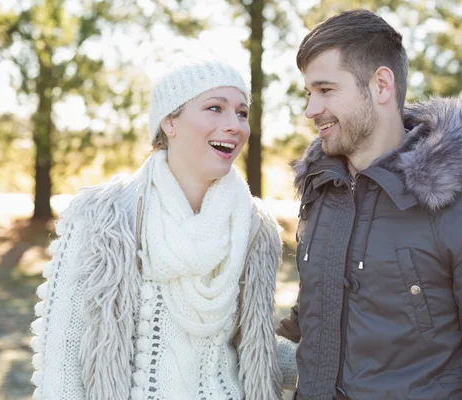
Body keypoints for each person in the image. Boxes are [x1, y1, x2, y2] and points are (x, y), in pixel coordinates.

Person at [276, 9, 462, 400]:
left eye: (326, 90)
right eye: (308, 93)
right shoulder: (323, 192)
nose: (310, 110)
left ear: (381, 85)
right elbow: (315, 308)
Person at [29, 57, 297, 400]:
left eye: (242, 113)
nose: (235, 125)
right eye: (215, 108)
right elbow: (62, 358)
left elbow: (254, 348)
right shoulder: (105, 219)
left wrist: (346, 368)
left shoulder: (255, 226)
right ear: (170, 122)